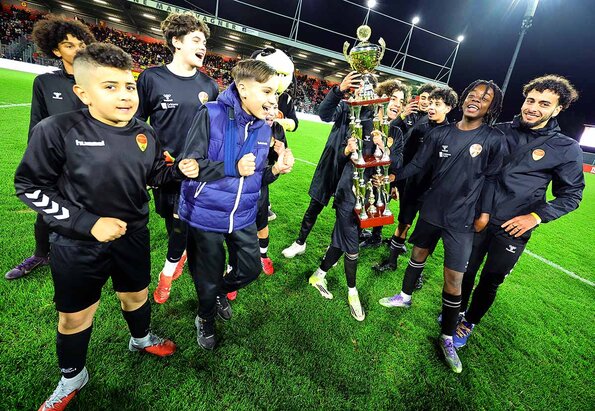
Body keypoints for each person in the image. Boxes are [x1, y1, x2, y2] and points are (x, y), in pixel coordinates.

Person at [14, 43, 198, 411]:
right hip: (76, 243)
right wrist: (88, 223)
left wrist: (177, 170)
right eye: (110, 87)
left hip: (133, 236)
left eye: (129, 86)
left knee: (136, 297)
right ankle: (72, 376)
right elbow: (30, 186)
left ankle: (140, 338)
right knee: (74, 317)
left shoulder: (145, 132)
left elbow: (153, 175)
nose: (125, 95)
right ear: (83, 93)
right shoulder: (56, 130)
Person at [378, 80, 505, 373]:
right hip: (432, 209)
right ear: (464, 99)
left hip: (462, 219)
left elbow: (491, 179)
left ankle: (447, 337)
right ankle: (405, 297)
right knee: (417, 254)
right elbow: (418, 165)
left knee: (454, 278)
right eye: (472, 94)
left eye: (484, 98)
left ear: (491, 107)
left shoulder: (493, 139)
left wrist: (484, 213)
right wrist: (393, 176)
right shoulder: (440, 133)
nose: (475, 99)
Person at [454, 75, 584, 349]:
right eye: (530, 100)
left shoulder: (565, 147)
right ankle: (456, 311)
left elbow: (571, 195)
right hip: (478, 218)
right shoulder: (497, 131)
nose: (533, 108)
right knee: (465, 271)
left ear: (558, 109)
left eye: (544, 104)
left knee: (490, 280)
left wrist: (535, 217)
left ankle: (469, 322)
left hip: (513, 227)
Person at [178, 59, 294, 350]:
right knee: (207, 276)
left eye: (275, 93)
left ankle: (218, 292)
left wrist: (276, 170)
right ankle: (205, 317)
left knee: (250, 269)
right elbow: (189, 165)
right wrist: (232, 167)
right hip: (206, 214)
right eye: (266, 92)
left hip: (243, 215)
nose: (272, 100)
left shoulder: (264, 128)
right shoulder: (210, 113)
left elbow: (255, 176)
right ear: (242, 89)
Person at [136, 12, 219, 304]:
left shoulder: (210, 86)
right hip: (165, 172)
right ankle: (179, 253)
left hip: (197, 173)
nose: (203, 47)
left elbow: (214, 131)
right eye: (196, 40)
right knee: (173, 225)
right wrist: (149, 158)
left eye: (204, 42)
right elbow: (137, 124)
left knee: (188, 226)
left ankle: (167, 274)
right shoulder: (151, 78)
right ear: (176, 41)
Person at [307, 79, 406, 321]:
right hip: (348, 194)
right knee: (351, 245)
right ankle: (353, 292)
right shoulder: (360, 122)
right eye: (392, 98)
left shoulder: (395, 133)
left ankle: (319, 275)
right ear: (381, 99)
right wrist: (348, 150)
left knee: (341, 240)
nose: (396, 104)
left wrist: (385, 154)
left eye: (401, 101)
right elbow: (341, 158)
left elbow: (397, 163)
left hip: (372, 199)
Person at [5, 15, 95, 280]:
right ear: (56, 51)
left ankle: (91, 256)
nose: (77, 49)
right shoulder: (45, 82)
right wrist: (37, 158)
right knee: (48, 209)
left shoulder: (98, 81)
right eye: (69, 45)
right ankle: (41, 254)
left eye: (81, 44)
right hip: (57, 158)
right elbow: (37, 123)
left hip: (93, 157)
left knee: (92, 209)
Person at [373, 86, 458, 277]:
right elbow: (406, 159)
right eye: (431, 103)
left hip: (434, 193)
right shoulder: (419, 128)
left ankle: (416, 275)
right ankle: (391, 261)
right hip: (412, 186)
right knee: (404, 223)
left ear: (448, 108)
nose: (431, 107)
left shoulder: (452, 134)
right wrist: (395, 183)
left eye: (437, 104)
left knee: (426, 235)